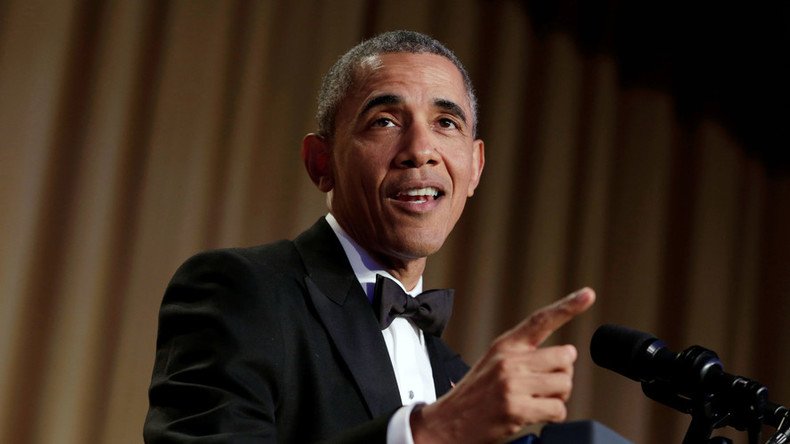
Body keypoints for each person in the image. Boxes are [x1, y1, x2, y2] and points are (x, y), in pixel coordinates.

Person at [144, 30, 595, 443]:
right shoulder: (240, 290)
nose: (421, 150)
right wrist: (429, 432)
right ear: (321, 163)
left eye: (446, 123)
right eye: (384, 121)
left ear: (475, 168)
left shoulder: (455, 377)